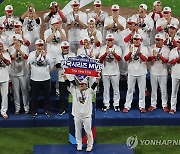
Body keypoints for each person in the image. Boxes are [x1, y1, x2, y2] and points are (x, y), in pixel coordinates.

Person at [63, 74, 100, 152]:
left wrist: (97, 80)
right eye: (80, 84)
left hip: (87, 115)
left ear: (86, 85)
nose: (81, 85)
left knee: (88, 131)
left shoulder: (89, 91)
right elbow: (68, 84)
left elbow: (94, 85)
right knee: (78, 130)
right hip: (77, 115)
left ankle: (89, 145)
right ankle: (79, 144)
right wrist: (65, 77)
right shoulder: (74, 90)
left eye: (82, 84)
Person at [123, 34, 148, 113]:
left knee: (142, 90)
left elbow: (145, 59)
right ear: (132, 40)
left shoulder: (144, 48)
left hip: (142, 71)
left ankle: (142, 106)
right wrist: (130, 53)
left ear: (140, 40)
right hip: (131, 71)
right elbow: (126, 59)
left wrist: (140, 53)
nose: (136, 40)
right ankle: (127, 106)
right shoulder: (129, 47)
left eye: (137, 39)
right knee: (130, 90)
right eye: (134, 39)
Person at [28, 39, 53, 117]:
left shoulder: (47, 53)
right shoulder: (32, 54)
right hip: (35, 78)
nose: (39, 47)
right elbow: (29, 62)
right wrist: (36, 56)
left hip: (45, 78)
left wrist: (45, 57)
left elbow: (50, 63)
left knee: (47, 96)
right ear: (35, 46)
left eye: (41, 45)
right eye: (38, 45)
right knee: (34, 96)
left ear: (43, 46)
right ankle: (34, 111)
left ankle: (47, 110)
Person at [99, 34, 122, 112]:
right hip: (105, 71)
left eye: (111, 40)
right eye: (108, 40)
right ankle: (106, 104)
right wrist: (106, 53)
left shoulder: (117, 48)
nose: (110, 41)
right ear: (106, 41)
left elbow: (119, 59)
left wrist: (114, 53)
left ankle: (116, 104)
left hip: (115, 71)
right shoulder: (102, 48)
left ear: (113, 40)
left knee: (116, 89)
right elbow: (100, 60)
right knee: (106, 90)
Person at [148, 33, 170, 112]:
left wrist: (159, 56)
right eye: (156, 40)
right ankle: (153, 104)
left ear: (162, 41)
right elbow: (148, 59)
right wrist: (154, 56)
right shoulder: (151, 48)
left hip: (163, 71)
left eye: (159, 40)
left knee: (163, 90)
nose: (158, 42)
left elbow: (166, 60)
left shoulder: (166, 49)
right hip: (153, 71)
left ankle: (164, 105)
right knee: (153, 89)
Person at [8, 34, 30, 114]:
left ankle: (26, 107)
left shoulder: (25, 48)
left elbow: (26, 57)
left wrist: (19, 50)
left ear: (20, 41)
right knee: (16, 92)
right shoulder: (10, 48)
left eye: (16, 40)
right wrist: (16, 50)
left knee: (25, 91)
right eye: (14, 40)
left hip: (23, 73)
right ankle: (17, 108)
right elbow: (11, 58)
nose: (15, 42)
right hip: (14, 73)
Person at [54, 41, 75, 115]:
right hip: (62, 78)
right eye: (64, 48)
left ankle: (74, 110)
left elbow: (74, 64)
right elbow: (57, 65)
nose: (65, 49)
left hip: (71, 78)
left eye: (66, 48)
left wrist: (64, 63)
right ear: (61, 48)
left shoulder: (73, 55)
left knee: (74, 94)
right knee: (62, 96)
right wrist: (67, 63)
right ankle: (61, 109)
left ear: (69, 48)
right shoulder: (58, 56)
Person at [168, 36, 180, 114]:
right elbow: (170, 62)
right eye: (178, 42)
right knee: (174, 92)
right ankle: (173, 108)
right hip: (175, 73)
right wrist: (177, 59)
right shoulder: (173, 51)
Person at [0, 41, 11, 118]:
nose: (0, 48)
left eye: (1, 46)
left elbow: (8, 63)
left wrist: (2, 58)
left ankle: (3, 111)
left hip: (4, 77)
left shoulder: (6, 54)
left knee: (4, 96)